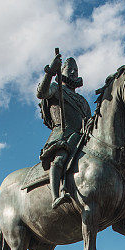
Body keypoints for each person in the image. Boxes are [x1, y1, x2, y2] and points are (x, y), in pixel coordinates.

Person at [37, 53, 92, 208]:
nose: (74, 72)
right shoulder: (56, 88)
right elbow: (41, 93)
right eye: (70, 69)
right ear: (63, 71)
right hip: (62, 135)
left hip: (81, 138)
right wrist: (50, 72)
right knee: (60, 158)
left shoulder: (82, 101)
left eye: (76, 69)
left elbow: (88, 120)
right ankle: (55, 196)